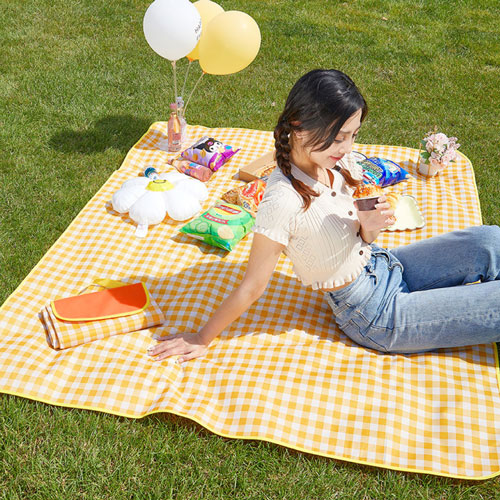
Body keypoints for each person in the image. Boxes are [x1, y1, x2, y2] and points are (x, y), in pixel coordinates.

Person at [148, 68, 500, 363]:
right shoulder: (282, 200)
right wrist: (202, 337)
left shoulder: (336, 163)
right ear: (299, 126)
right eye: (339, 137)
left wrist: (369, 228)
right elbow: (252, 286)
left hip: (388, 265)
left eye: (353, 135)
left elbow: (356, 238)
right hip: (375, 314)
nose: (347, 148)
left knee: (490, 240)